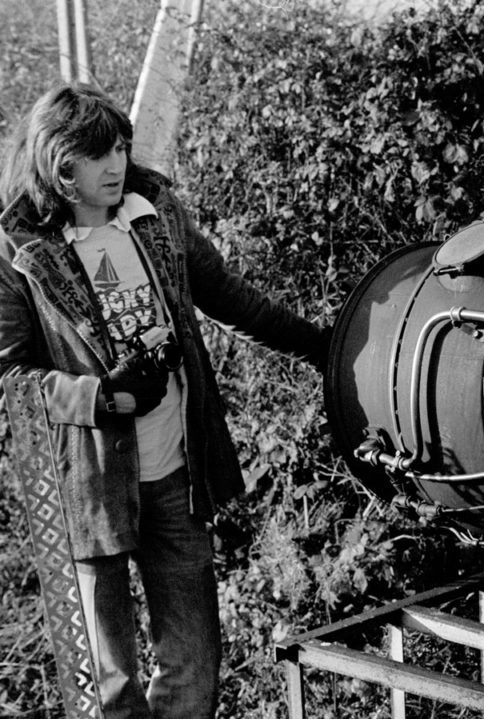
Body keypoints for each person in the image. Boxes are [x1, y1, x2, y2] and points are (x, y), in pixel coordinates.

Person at [0, 83, 330, 719]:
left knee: (194, 663)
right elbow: (11, 380)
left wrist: (324, 347)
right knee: (108, 687)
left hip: (176, 474)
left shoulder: (156, 215)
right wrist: (103, 396)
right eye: (98, 154)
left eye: (121, 147)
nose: (117, 165)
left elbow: (233, 299)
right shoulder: (16, 253)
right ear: (57, 163)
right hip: (86, 489)